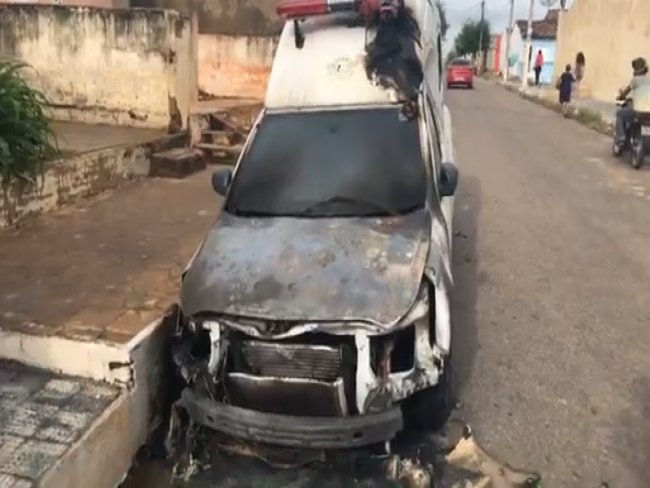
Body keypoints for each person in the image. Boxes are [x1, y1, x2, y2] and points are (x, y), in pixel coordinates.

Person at [615, 57, 650, 147]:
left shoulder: (635, 80)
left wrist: (620, 97)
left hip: (639, 111)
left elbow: (626, 92)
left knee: (620, 114)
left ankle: (621, 138)